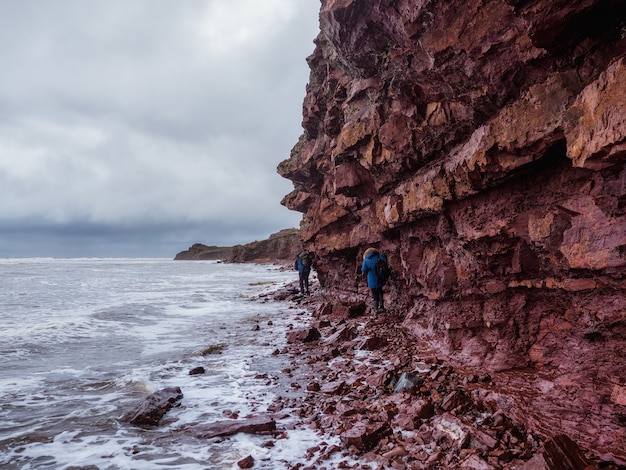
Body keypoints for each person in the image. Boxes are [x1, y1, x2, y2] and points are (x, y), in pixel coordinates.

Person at [361, 247, 388, 313]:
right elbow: (385, 263)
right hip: (380, 278)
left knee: (374, 294)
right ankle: (381, 306)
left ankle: (375, 309)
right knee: (380, 292)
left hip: (372, 279)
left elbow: (363, 270)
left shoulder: (367, 260)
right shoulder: (380, 257)